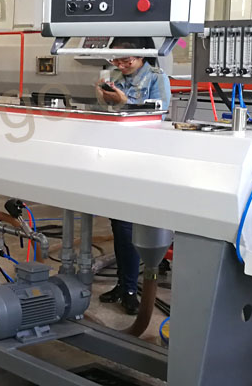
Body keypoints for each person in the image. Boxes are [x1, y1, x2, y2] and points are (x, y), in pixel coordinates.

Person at [95, 37, 171, 315]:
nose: (121, 64)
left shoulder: (157, 78)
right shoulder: (115, 77)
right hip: (120, 156)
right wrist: (104, 97)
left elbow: (158, 116)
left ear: (142, 55)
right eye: (116, 59)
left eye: (126, 59)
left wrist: (124, 101)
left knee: (134, 227)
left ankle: (132, 287)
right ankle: (124, 285)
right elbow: (109, 114)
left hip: (146, 159)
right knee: (119, 224)